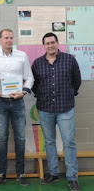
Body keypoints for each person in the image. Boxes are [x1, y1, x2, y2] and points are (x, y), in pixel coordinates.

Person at [0, 29, 34, 186]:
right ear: (0, 39)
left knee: (20, 138)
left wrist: (24, 92)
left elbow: (29, 77)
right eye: (6, 38)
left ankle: (20, 173)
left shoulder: (22, 56)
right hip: (0, 102)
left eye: (11, 38)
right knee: (2, 138)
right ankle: (1, 173)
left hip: (17, 102)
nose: (9, 40)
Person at [32, 32, 81, 191]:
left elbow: (77, 80)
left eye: (52, 42)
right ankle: (53, 173)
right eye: (47, 43)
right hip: (45, 109)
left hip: (65, 108)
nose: (50, 45)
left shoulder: (69, 60)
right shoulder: (38, 63)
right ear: (44, 45)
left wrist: (68, 94)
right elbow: (34, 84)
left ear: (57, 43)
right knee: (50, 142)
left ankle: (72, 177)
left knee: (69, 143)